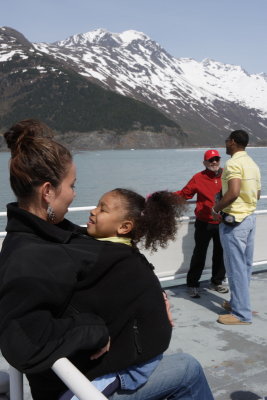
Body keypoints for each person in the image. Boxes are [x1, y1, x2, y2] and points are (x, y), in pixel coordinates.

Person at [0, 119, 214, 400]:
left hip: (88, 374)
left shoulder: (53, 235)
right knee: (188, 370)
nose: (75, 195)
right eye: (72, 185)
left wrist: (151, 299)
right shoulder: (30, 256)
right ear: (48, 191)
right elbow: (22, 340)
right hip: (77, 388)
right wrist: (94, 331)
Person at [212, 130, 261, 325]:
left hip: (235, 222)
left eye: (226, 140)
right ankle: (238, 303)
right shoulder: (252, 164)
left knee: (235, 267)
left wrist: (215, 209)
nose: (225, 143)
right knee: (245, 266)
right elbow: (257, 195)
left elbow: (232, 193)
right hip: (249, 218)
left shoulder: (233, 164)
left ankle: (241, 314)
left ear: (232, 142)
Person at [174, 149, 228, 298]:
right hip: (204, 222)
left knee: (220, 253)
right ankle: (192, 284)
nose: (214, 162)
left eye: (216, 159)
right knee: (199, 253)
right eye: (211, 160)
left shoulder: (227, 175)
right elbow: (185, 194)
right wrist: (165, 197)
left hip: (222, 222)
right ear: (205, 162)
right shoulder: (198, 178)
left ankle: (217, 282)